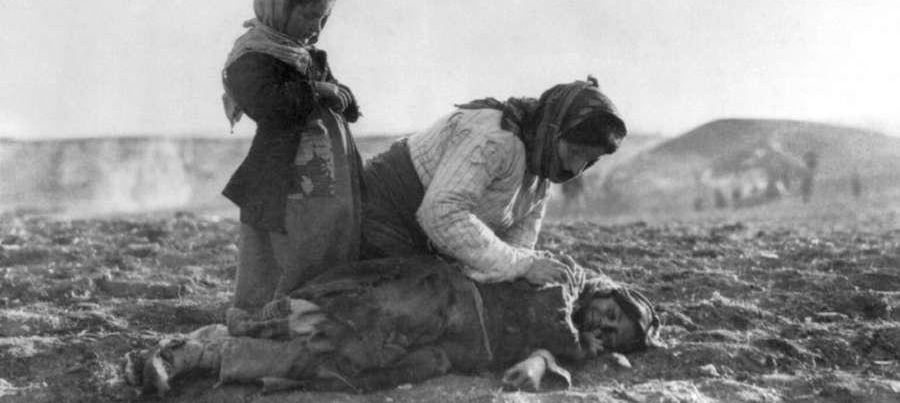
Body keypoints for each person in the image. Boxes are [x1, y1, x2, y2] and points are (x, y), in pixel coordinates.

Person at [123, 255, 660, 396]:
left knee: (346, 365)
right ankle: (191, 347)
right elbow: (550, 314)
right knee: (340, 323)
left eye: (614, 334)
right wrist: (570, 346)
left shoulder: (571, 344)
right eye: (611, 314)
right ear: (605, 292)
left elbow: (548, 355)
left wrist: (549, 360)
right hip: (440, 300)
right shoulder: (566, 279)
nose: (603, 326)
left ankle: (209, 357)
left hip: (450, 347)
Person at [362, 77, 627, 285]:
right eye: (576, 152)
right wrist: (522, 267)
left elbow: (516, 247)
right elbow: (441, 213)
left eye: (589, 161)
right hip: (382, 213)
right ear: (555, 128)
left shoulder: (540, 174)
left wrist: (527, 269)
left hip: (429, 238)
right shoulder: (495, 138)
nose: (574, 167)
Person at [221, 0, 363, 312]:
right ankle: (263, 323)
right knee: (277, 257)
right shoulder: (251, 57)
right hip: (280, 178)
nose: (316, 28)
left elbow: (339, 98)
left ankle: (312, 312)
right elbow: (268, 105)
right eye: (308, 16)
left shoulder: (308, 56)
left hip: (325, 179)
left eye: (323, 18)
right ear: (278, 6)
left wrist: (343, 98)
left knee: (325, 245)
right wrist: (318, 90)